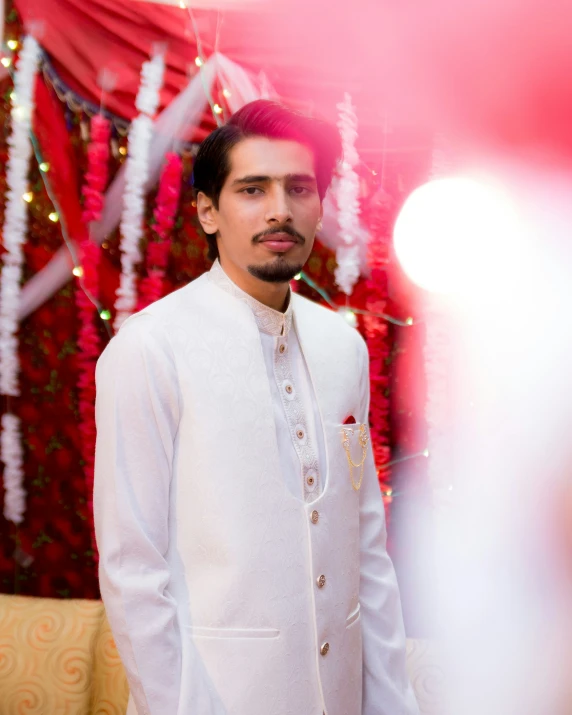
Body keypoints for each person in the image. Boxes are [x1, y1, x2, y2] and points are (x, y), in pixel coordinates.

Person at [93, 99, 418, 715]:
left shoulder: (342, 347)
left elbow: (365, 545)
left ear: (320, 205)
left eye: (299, 187)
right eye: (252, 188)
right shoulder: (151, 348)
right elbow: (132, 566)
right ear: (208, 211)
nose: (280, 209)